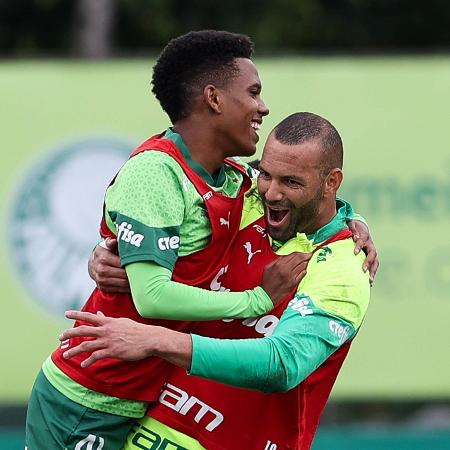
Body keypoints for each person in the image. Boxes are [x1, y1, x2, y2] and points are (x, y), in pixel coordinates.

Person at [25, 30, 314, 450]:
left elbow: (300, 195)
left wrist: (351, 221)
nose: (263, 107)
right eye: (253, 92)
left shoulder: (233, 177)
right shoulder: (155, 175)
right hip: (86, 398)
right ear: (213, 99)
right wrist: (257, 300)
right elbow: (152, 297)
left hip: (151, 398)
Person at [61, 112, 373, 450]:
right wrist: (106, 250)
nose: (270, 193)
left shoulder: (344, 267)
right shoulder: (242, 194)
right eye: (266, 175)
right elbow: (148, 209)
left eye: (291, 182)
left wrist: (155, 340)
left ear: (331, 182)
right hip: (147, 429)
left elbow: (282, 364)